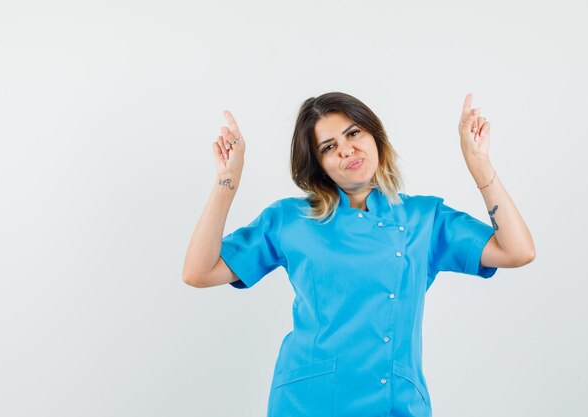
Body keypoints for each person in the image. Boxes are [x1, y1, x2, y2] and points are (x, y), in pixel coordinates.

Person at [182, 92, 535, 417]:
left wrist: (480, 166)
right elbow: (199, 272)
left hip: (396, 401)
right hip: (308, 402)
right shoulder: (290, 219)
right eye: (329, 146)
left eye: (353, 134)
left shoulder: (424, 219)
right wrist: (227, 182)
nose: (346, 150)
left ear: (375, 137)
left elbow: (517, 251)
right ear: (318, 164)